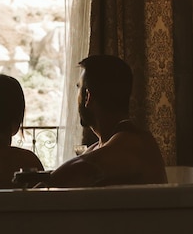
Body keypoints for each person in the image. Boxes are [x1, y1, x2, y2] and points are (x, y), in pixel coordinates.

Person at [43, 55, 168, 188]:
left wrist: (42, 185)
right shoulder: (99, 146)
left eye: (78, 88)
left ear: (87, 97)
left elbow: (82, 166)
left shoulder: (134, 142)